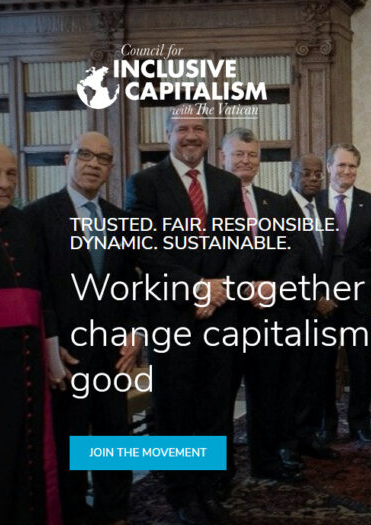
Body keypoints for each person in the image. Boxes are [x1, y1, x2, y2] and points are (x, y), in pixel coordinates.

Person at [124, 103, 250, 525]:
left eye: (198, 128)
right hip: (172, 315)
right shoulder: (144, 183)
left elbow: (240, 246)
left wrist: (219, 289)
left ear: (208, 135)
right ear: (168, 134)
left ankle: (209, 487)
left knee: (215, 406)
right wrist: (197, 286)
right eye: (183, 129)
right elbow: (145, 250)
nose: (191, 135)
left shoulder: (227, 183)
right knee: (175, 407)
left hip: (220, 314)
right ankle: (181, 492)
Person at [26, 131, 137, 524]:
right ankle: (72, 513)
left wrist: (136, 332)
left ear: (110, 168)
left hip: (113, 354)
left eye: (103, 158)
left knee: (114, 435)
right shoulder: (37, 216)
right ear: (67, 160)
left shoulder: (122, 221)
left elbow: (132, 285)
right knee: (68, 439)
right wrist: (49, 343)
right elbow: (37, 287)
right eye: (85, 155)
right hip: (66, 353)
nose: (94, 163)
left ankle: (114, 511)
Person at [0, 140, 62, 524]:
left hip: (27, 364)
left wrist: (52, 355)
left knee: (27, 454)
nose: (4, 183)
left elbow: (43, 292)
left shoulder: (24, 223)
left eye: (11, 174)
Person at [219, 128, 302, 485]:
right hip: (225, 313)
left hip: (268, 313)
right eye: (238, 154)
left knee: (267, 393)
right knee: (220, 398)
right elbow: (209, 258)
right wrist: (242, 287)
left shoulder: (276, 203)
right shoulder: (211, 203)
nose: (246, 161)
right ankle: (219, 472)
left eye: (252, 155)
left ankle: (266, 461)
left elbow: (292, 250)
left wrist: (273, 285)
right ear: (222, 157)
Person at [316, 143, 371, 443]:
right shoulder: (312, 202)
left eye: (352, 166)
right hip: (322, 298)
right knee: (322, 364)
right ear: (329, 167)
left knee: (360, 363)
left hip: (361, 296)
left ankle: (360, 422)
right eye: (341, 165)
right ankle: (326, 423)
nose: (347, 171)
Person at [277, 154, 342, 460]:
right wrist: (313, 298)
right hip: (295, 310)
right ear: (292, 175)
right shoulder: (280, 210)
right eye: (307, 173)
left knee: (318, 378)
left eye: (318, 174)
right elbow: (283, 265)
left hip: (326, 311)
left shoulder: (326, 213)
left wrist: (332, 293)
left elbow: (336, 258)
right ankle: (288, 443)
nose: (314, 178)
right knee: (293, 381)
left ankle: (308, 436)